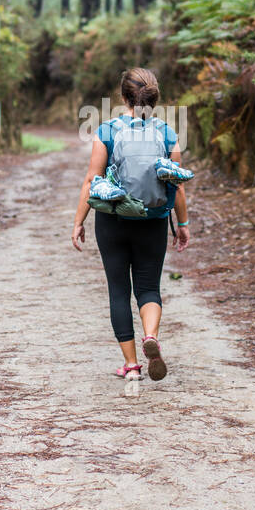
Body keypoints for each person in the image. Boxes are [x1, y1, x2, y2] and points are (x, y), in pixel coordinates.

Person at [71, 67, 190, 381]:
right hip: (153, 221)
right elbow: (176, 183)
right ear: (154, 98)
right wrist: (183, 222)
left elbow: (91, 180)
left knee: (119, 291)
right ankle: (150, 335)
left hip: (113, 220)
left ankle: (132, 365)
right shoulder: (166, 133)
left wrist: (79, 221)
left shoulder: (108, 131)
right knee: (149, 287)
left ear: (123, 97)